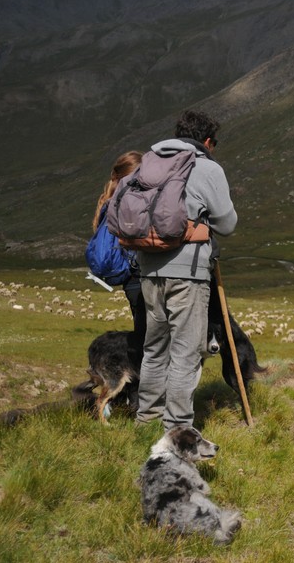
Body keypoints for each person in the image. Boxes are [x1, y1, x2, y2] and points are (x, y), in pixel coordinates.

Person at [136, 110, 237, 431]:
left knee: (154, 348)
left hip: (149, 269)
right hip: (189, 273)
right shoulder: (206, 166)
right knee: (186, 351)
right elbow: (227, 223)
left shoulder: (149, 161)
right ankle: (177, 428)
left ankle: (146, 418)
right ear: (207, 141)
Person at [93, 151, 146, 344]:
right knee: (151, 339)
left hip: (129, 279)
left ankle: (142, 372)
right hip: (139, 274)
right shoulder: (126, 202)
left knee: (143, 335)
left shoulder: (108, 202)